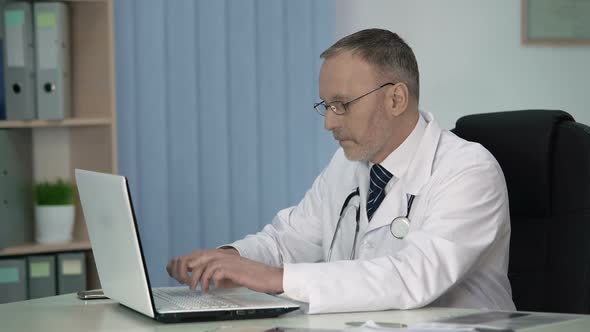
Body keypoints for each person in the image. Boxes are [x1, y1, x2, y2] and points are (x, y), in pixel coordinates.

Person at [167, 28, 515, 314]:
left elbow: (412, 277)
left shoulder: (468, 170)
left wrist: (275, 278)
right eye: (326, 106)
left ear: (396, 99)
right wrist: (230, 260)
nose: (329, 122)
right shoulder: (349, 164)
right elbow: (289, 241)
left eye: (342, 105)